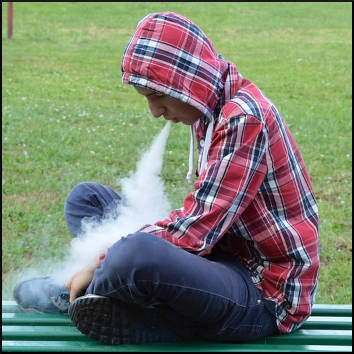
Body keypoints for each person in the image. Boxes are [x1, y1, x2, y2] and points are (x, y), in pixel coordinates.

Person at [13, 12, 320, 345]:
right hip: (222, 256)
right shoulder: (210, 107)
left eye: (157, 95)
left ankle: (102, 300)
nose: (154, 111)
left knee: (135, 255)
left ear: (187, 82)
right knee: (86, 200)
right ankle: (104, 292)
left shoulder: (244, 119)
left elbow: (197, 229)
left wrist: (101, 259)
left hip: (266, 293)